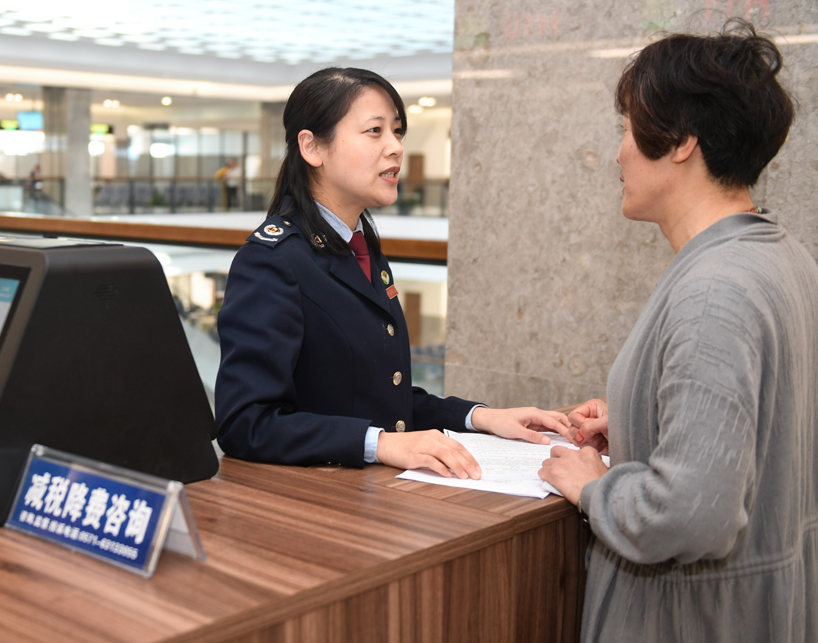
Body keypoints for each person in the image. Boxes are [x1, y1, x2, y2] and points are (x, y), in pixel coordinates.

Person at [538, 21, 818, 642]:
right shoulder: (782, 257)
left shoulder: (714, 288)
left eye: (625, 128)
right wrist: (646, 420)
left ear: (680, 143)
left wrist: (597, 489)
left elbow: (693, 516)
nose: (618, 152)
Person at [215, 67, 571, 478]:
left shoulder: (359, 247)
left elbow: (381, 399)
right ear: (312, 147)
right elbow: (246, 424)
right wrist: (379, 443)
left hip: (375, 499)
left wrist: (480, 418)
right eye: (374, 131)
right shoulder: (273, 261)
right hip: (315, 508)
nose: (396, 147)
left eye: (397, 131)